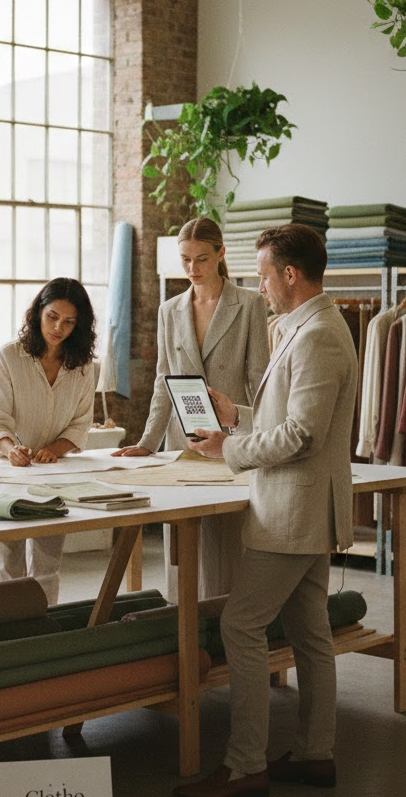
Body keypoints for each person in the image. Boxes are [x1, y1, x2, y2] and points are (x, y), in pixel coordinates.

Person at [175, 224, 357, 797]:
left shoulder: (318, 334)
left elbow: (302, 434)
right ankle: (314, 755)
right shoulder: (307, 328)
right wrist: (239, 417)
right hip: (303, 511)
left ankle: (245, 765)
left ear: (290, 274)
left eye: (263, 274)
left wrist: (229, 449)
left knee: (241, 624)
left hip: (291, 513)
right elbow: (289, 419)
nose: (260, 284)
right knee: (309, 633)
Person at [113, 216, 269, 599]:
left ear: (220, 254)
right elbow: (163, 381)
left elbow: (261, 381)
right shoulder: (170, 310)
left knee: (225, 551)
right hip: (180, 443)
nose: (192, 269)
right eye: (185, 260)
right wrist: (148, 442)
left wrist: (253, 433)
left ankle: (224, 637)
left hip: (230, 442)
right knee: (181, 553)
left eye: (201, 259)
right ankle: (180, 631)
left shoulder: (250, 304)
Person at [0, 277, 96, 604]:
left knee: (48, 559)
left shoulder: (83, 367)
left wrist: (53, 451)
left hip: (50, 470)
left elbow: (81, 422)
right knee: (7, 560)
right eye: (52, 316)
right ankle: (6, 636)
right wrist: (12, 448)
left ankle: (44, 631)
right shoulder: (9, 357)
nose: (59, 327)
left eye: (69, 322)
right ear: (37, 313)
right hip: (1, 465)